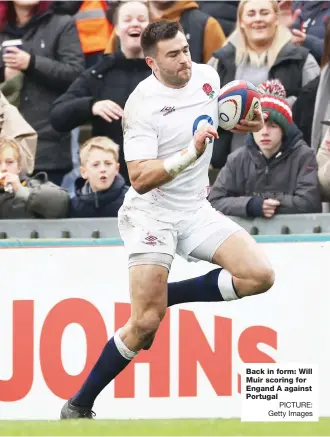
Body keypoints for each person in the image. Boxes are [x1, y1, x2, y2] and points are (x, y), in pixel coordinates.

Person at [60, 20, 274, 419]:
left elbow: (235, 119)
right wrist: (189, 155)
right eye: (173, 55)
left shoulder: (208, 77)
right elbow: (139, 179)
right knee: (143, 324)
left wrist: (250, 120)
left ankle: (171, 295)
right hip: (151, 215)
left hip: (194, 209)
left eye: (186, 50)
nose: (185, 61)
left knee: (260, 275)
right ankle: (79, 404)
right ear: (151, 62)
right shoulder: (141, 105)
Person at [208, 0, 320, 170]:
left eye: (265, 13)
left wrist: (274, 110)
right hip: (228, 165)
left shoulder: (302, 60)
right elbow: (203, 104)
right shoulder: (220, 61)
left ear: (276, 18)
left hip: (285, 166)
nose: (258, 19)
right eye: (251, 14)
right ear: (242, 21)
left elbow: (314, 111)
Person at [50, 0, 151, 185]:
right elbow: (57, 116)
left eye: (142, 19)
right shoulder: (99, 73)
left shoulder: (164, 73)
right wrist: (91, 106)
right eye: (127, 19)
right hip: (111, 185)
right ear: (117, 28)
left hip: (155, 178)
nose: (135, 24)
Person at [0, 0, 85, 186]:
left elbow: (75, 74)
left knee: (47, 206)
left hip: (48, 143)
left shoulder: (62, 23)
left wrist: (31, 63)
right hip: (4, 147)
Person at [209, 79, 322, 217]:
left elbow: (309, 203)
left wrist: (266, 203)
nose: (265, 132)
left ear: (284, 129)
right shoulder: (237, 159)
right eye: (259, 126)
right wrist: (251, 205)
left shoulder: (304, 156)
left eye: (273, 125)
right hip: (248, 235)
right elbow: (214, 201)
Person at [0, 135, 69, 218]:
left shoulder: (33, 185)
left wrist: (21, 190)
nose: (3, 168)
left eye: (9, 162)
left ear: (19, 167)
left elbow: (61, 203)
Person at [70, 137, 128, 218]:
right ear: (84, 172)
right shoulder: (74, 206)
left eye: (108, 163)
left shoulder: (130, 200)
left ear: (116, 169)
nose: (103, 169)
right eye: (96, 165)